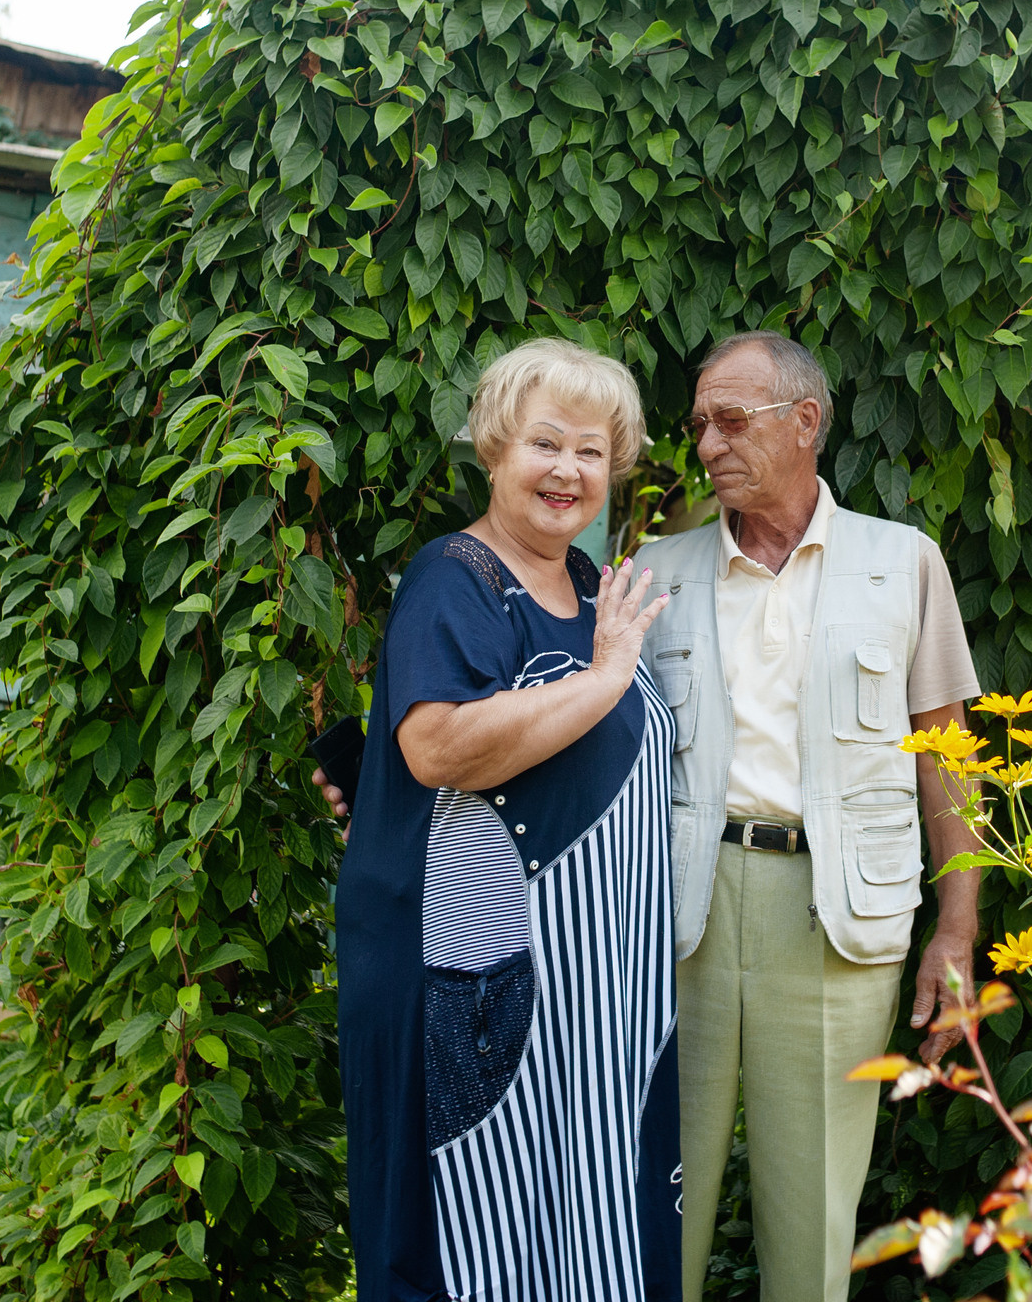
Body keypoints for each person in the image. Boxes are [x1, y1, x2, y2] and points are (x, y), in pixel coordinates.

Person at [635, 329, 983, 1302]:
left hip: (838, 919)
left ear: (806, 423)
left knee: (814, 1219)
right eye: (700, 423)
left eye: (731, 420)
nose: (708, 444)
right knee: (648, 1214)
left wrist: (955, 930)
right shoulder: (655, 571)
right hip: (672, 919)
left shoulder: (901, 563)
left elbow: (948, 760)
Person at [334, 337, 681, 1302]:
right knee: (450, 1238)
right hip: (455, 986)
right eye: (546, 443)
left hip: (583, 999)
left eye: (593, 452)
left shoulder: (587, 588)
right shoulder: (458, 576)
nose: (568, 470)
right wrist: (609, 678)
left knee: (567, 1240)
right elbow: (437, 747)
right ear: (495, 449)